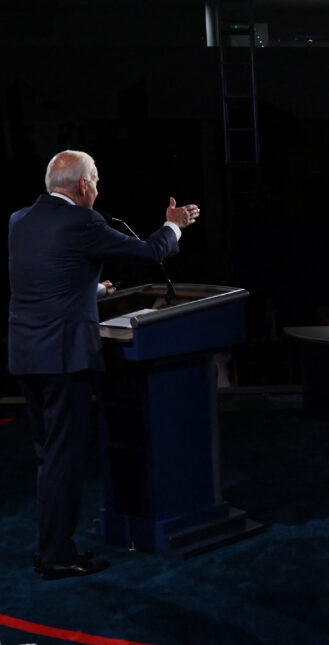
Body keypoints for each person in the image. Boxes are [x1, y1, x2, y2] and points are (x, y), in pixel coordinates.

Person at [7, 150, 200, 580]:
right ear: (82, 185)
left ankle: (51, 549)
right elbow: (151, 252)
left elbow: (42, 278)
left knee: (48, 458)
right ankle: (56, 557)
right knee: (63, 460)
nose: (97, 187)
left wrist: (90, 290)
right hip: (63, 358)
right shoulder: (83, 221)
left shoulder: (20, 220)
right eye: (95, 179)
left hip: (26, 355)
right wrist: (174, 223)